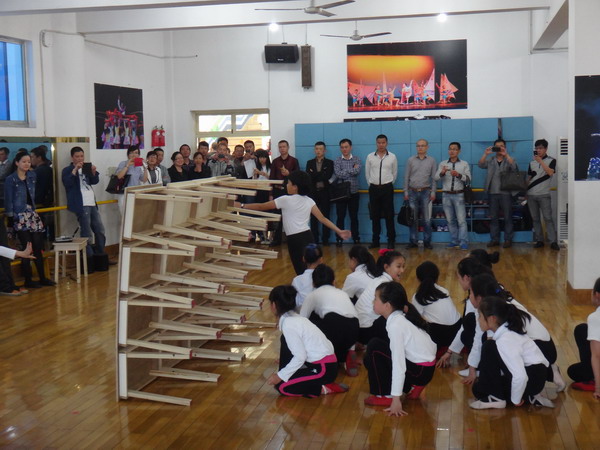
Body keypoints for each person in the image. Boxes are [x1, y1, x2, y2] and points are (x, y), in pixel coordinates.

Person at [239, 171, 350, 275]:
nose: (286, 185)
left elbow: (261, 206)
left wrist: (241, 206)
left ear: (295, 186)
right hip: (308, 237)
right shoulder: (309, 200)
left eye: (288, 183)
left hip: (295, 240)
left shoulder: (285, 200)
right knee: (313, 269)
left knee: (302, 271)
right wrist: (339, 231)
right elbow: (323, 219)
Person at [363, 281, 437, 414]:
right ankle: (411, 387)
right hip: (424, 369)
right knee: (371, 355)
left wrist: (396, 399)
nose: (373, 302)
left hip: (419, 372)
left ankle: (385, 395)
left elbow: (399, 364)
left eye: (375, 298)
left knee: (374, 347)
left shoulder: (396, 325)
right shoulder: (401, 316)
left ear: (387, 305)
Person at [470, 296, 554, 409]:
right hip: (536, 377)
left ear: (492, 319)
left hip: (531, 379)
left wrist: (516, 400)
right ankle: (528, 396)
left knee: (488, 348)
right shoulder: (507, 331)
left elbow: (520, 376)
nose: (478, 319)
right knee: (480, 388)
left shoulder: (506, 339)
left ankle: (497, 398)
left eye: (480, 316)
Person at [266, 285, 349, 397]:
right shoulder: (294, 318)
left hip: (323, 369)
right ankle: (316, 381)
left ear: (273, 305)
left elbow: (300, 356)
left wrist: (279, 376)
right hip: (324, 364)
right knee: (284, 340)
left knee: (282, 387)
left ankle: (324, 387)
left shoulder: (288, 323)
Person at [4, 151, 55, 288]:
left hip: (31, 213)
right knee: (27, 247)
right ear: (17, 163)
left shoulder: (32, 175)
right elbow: (8, 199)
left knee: (38, 247)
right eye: (24, 161)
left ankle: (42, 277)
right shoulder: (11, 179)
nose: (27, 164)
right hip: (19, 215)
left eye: (28, 161)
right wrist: (10, 217)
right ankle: (28, 279)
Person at [299, 264, 360, 376]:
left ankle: (324, 359)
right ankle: (348, 353)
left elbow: (301, 320)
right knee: (336, 327)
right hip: (354, 330)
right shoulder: (342, 293)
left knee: (310, 321)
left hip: (334, 326)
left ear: (313, 283)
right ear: (333, 282)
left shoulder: (312, 295)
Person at [436, 257, 492, 369]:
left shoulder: (480, 298)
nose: (458, 281)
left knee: (468, 327)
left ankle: (482, 366)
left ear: (466, 278)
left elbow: (479, 335)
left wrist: (473, 366)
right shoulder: (485, 288)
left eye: (458, 277)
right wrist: (449, 352)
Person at [62, 146, 107, 259]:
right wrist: (75, 170)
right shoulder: (67, 170)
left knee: (100, 229)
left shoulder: (86, 167)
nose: (80, 158)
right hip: (81, 204)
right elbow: (67, 183)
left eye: (82, 156)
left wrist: (93, 172)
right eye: (77, 156)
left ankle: (101, 255)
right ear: (72, 158)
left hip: (92, 202)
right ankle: (89, 258)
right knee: (86, 232)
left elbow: (94, 181)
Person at [411, 261, 462, 359]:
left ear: (418, 279)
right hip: (457, 330)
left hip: (440, 335)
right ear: (437, 277)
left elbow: (415, 319)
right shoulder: (444, 291)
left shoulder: (418, 297)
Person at [356, 249, 406, 344]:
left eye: (403, 266)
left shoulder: (380, 279)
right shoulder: (384, 284)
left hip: (361, 327)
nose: (402, 270)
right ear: (386, 267)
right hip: (366, 330)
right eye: (398, 266)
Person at [478, 139, 517, 248]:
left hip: (506, 193)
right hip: (492, 192)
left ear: (505, 147)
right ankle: (494, 239)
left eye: (502, 146)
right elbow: (480, 165)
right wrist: (485, 154)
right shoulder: (491, 160)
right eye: (497, 146)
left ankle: (508, 239)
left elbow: (514, 168)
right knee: (493, 217)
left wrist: (506, 155)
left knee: (508, 217)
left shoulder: (509, 159)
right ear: (494, 148)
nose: (500, 148)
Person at [434, 142, 471, 250]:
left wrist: (458, 175)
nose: (452, 151)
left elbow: (469, 179)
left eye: (454, 149)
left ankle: (463, 242)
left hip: (459, 194)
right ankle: (454, 241)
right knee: (450, 220)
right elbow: (436, 178)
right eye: (450, 149)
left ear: (459, 151)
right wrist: (442, 173)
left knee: (461, 220)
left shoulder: (464, 164)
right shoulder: (442, 163)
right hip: (446, 195)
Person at [567, 277, 600, 397]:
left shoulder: (595, 317)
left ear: (597, 295)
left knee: (573, 371)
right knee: (582, 329)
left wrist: (598, 388)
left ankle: (593, 379)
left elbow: (597, 355)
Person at [366, 134, 397, 249]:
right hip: (374, 189)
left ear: (386, 143)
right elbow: (367, 173)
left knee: (389, 215)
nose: (381, 145)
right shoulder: (370, 156)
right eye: (379, 143)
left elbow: (394, 173)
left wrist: (388, 184)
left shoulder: (392, 157)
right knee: (375, 216)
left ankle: (391, 240)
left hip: (387, 188)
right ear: (376, 143)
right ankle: (375, 241)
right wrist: (372, 184)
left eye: (383, 142)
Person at [404, 139, 437, 249]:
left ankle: (427, 241)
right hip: (412, 192)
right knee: (412, 218)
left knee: (427, 219)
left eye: (422, 145)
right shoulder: (410, 160)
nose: (420, 148)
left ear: (427, 147)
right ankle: (413, 241)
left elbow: (434, 178)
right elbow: (406, 177)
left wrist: (433, 192)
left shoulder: (432, 160)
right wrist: (405, 191)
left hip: (426, 192)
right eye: (418, 146)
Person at [528, 139, 559, 250]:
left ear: (546, 149)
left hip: (544, 194)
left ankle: (553, 241)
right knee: (535, 218)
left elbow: (550, 173)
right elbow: (529, 178)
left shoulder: (552, 160)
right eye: (536, 148)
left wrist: (540, 161)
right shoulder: (531, 163)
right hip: (531, 194)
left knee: (548, 218)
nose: (538, 150)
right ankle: (539, 240)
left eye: (540, 148)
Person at [269, 140, 300, 246]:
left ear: (288, 147)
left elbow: (298, 176)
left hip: (289, 191)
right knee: (277, 216)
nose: (282, 149)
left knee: (290, 215)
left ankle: (292, 239)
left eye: (284, 146)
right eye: (280, 147)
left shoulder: (294, 161)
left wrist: (289, 173)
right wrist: (271, 194)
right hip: (277, 190)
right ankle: (276, 239)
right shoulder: (275, 161)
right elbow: (271, 178)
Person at [333, 138, 361, 246]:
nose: (344, 149)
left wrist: (344, 171)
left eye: (346, 147)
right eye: (342, 147)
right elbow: (338, 174)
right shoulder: (337, 160)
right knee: (340, 217)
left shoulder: (356, 159)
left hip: (354, 193)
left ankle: (356, 238)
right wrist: (351, 170)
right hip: (341, 194)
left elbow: (357, 171)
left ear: (350, 147)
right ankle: (339, 239)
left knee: (354, 217)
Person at [306, 141, 334, 245]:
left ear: (324, 151)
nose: (318, 151)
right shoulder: (309, 162)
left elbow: (327, 176)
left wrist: (316, 174)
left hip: (325, 192)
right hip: (313, 193)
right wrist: (321, 174)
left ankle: (325, 239)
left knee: (325, 216)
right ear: (314, 150)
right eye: (316, 149)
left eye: (320, 149)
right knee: (314, 217)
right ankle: (315, 239)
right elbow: (309, 177)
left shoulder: (329, 163)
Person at [115, 145, 147, 213]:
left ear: (139, 155)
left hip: (136, 193)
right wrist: (127, 165)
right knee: (125, 215)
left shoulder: (138, 166)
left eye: (136, 153)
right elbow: (119, 176)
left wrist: (145, 168)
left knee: (136, 214)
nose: (134, 155)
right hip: (124, 194)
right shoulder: (123, 163)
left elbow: (144, 180)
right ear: (128, 155)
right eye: (131, 153)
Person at [291, 244, 323, 309]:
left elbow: (294, 302)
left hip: (302, 313)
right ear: (321, 260)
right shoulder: (326, 277)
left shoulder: (297, 280)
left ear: (303, 259)